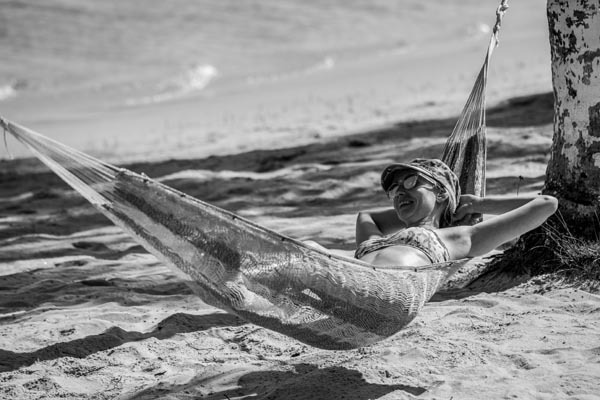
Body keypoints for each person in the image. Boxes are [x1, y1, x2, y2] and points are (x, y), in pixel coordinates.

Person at [354, 158, 558, 267]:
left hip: (384, 287)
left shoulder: (456, 238)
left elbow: (547, 203)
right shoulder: (376, 240)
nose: (399, 192)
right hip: (349, 280)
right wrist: (411, 213)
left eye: (411, 181)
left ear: (441, 193)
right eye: (394, 189)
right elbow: (366, 216)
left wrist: (478, 204)